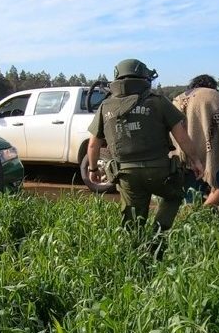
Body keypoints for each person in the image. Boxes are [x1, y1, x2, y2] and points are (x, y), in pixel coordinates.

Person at [86, 59, 204, 244]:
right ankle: (157, 237)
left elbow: (93, 145)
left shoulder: (105, 106)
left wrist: (93, 169)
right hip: (160, 170)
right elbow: (182, 136)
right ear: (144, 77)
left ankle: (134, 252)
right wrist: (196, 160)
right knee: (174, 196)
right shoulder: (158, 101)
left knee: (132, 219)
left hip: (126, 173)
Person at [172, 74, 219, 207]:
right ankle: (202, 214)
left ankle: (190, 217)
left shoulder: (177, 100)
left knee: (192, 191)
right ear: (212, 86)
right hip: (210, 151)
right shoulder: (212, 96)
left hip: (183, 154)